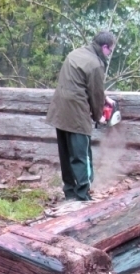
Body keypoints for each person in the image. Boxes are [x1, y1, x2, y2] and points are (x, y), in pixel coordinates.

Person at [45, 31, 116, 201]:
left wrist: (104, 97)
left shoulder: (76, 53)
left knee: (66, 153)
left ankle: (69, 191)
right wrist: (99, 115)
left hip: (60, 111)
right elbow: (95, 93)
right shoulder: (96, 64)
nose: (109, 54)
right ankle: (82, 195)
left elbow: (80, 84)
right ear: (104, 47)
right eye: (110, 50)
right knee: (80, 155)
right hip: (76, 113)